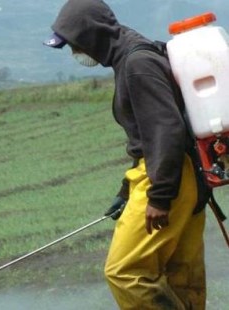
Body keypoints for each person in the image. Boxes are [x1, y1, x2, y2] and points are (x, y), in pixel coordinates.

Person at [43, 0, 210, 309]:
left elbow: (165, 129)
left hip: (168, 177)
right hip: (182, 174)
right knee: (179, 274)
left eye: (74, 44)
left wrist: (159, 196)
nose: (74, 52)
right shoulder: (135, 54)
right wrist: (126, 189)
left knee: (125, 272)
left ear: (90, 34)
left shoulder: (137, 64)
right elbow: (151, 136)